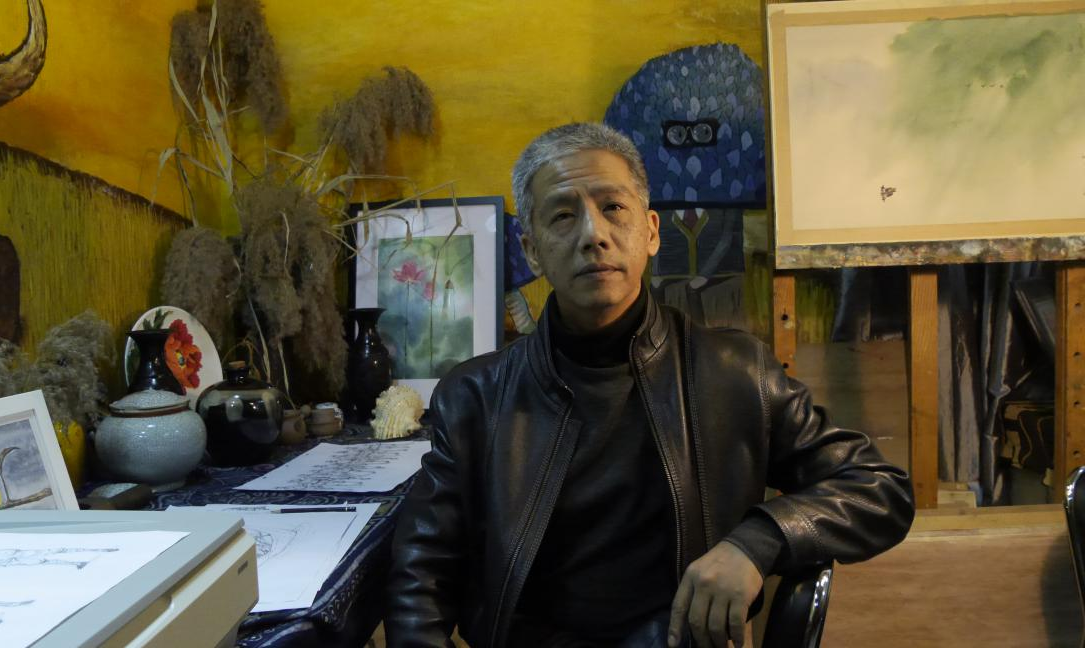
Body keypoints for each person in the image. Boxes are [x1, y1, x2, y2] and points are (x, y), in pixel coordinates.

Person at [385, 122, 914, 648]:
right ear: (531, 251)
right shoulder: (477, 396)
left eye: (613, 207)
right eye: (563, 215)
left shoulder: (734, 374)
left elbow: (878, 488)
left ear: (652, 231)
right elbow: (421, 571)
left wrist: (760, 539)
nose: (593, 234)